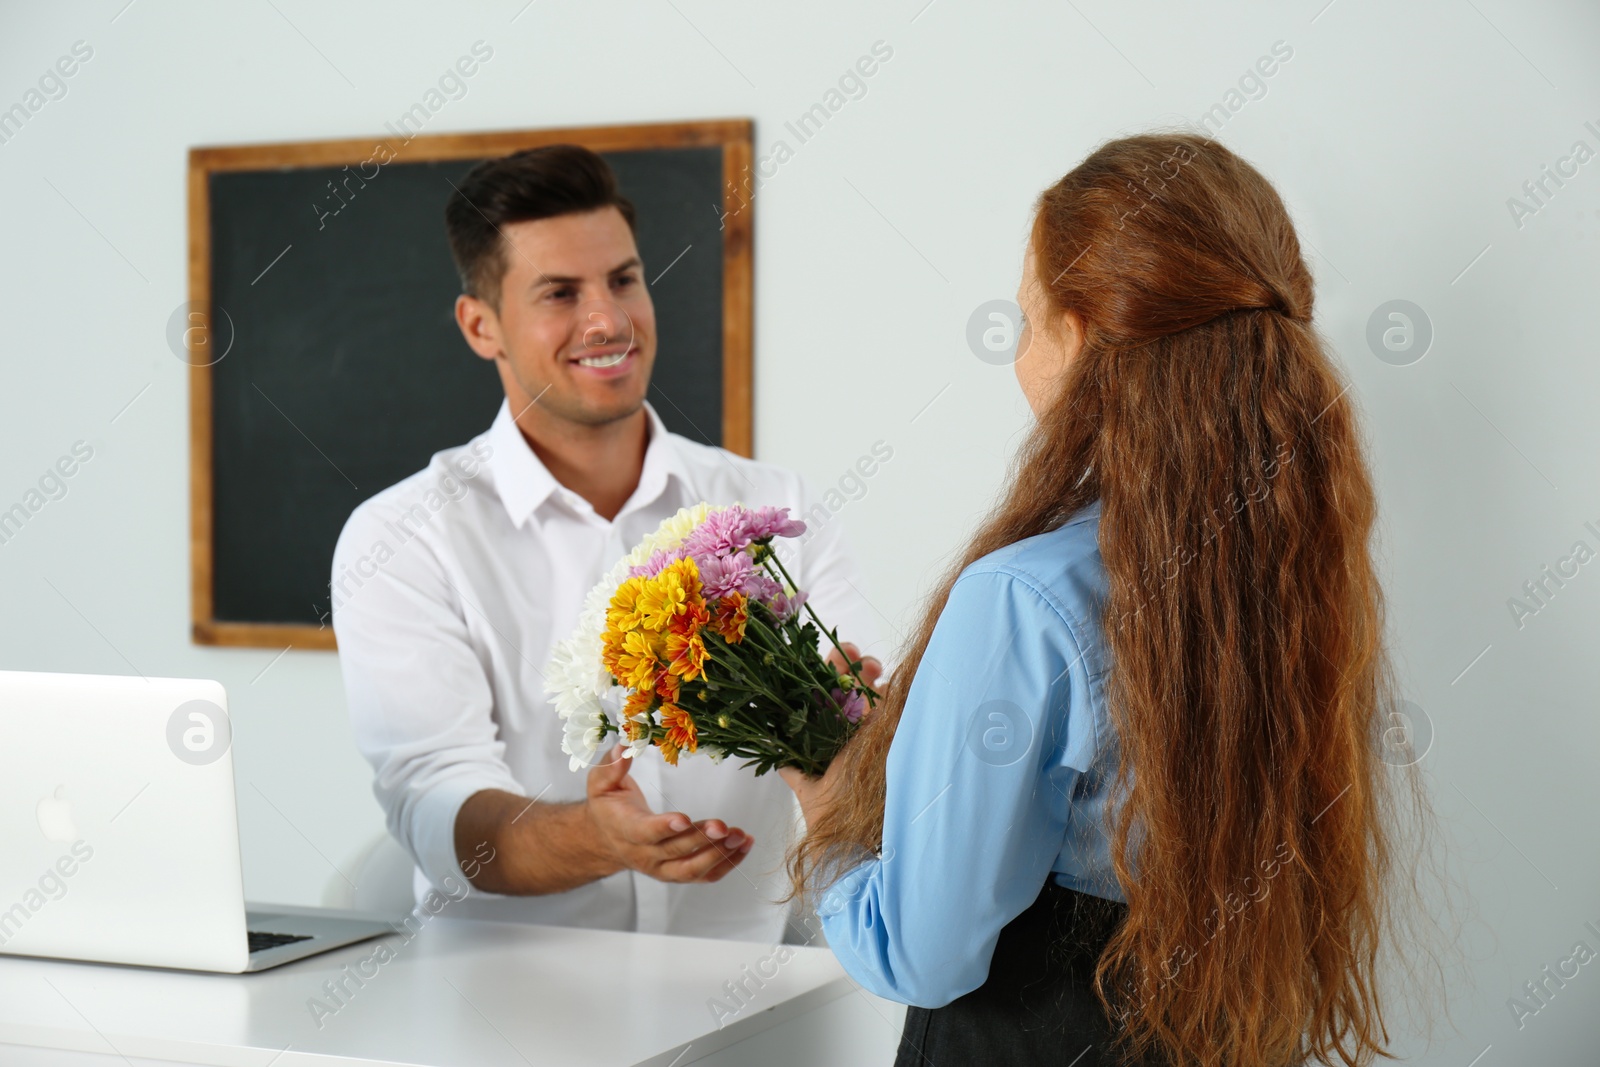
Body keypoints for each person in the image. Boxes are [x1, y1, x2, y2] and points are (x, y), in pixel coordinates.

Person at [782, 133, 1424, 1067]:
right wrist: (921, 752)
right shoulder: (1298, 580)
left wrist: (837, 812)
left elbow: (921, 953)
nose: (1020, 359)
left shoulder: (1022, 599)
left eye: (1026, 325)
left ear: (1083, 336)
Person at [332, 144, 881, 942]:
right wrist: (596, 839)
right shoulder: (403, 538)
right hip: (503, 1004)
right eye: (561, 293)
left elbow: (863, 709)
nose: (610, 319)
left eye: (624, 279)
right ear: (481, 325)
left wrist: (858, 725)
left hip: (748, 997)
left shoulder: (774, 508)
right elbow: (435, 797)